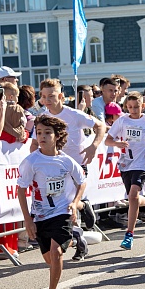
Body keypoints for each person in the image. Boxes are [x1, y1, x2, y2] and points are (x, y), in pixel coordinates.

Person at [17, 115, 87, 289]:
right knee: (50, 259)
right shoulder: (31, 162)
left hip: (62, 212)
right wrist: (28, 220)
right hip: (40, 215)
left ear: (57, 136)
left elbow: (82, 181)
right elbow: (21, 190)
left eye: (47, 132)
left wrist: (75, 202)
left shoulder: (66, 161)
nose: (42, 136)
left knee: (56, 254)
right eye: (39, 132)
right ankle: (76, 236)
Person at [35, 78, 106, 236]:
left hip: (77, 164)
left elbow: (100, 126)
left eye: (51, 96)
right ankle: (80, 220)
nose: (47, 100)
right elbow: (35, 143)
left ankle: (78, 219)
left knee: (68, 203)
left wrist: (93, 146)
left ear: (61, 96)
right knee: (65, 206)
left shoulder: (74, 114)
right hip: (55, 167)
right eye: (44, 96)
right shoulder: (42, 118)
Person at [105, 92, 145, 251]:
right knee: (133, 198)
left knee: (133, 195)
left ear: (143, 105)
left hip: (142, 163)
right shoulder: (122, 120)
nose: (133, 110)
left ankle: (129, 234)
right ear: (126, 107)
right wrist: (117, 143)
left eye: (136, 107)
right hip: (125, 164)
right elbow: (108, 140)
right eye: (130, 107)